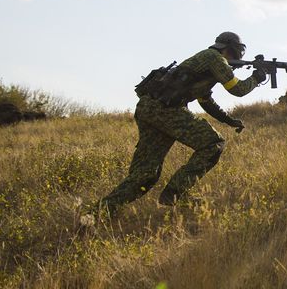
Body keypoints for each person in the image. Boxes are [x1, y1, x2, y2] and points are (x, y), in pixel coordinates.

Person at [96, 31, 267, 216]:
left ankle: (96, 214)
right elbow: (238, 89)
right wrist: (256, 79)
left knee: (145, 176)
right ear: (233, 49)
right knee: (213, 143)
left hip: (149, 108)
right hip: (166, 109)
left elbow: (205, 101)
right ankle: (175, 193)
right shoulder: (214, 58)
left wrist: (228, 120)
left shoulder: (205, 63)